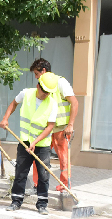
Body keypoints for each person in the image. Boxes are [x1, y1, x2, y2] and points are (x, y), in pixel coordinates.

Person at [0, 72, 60, 214]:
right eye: (44, 91)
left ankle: (42, 204)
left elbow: (50, 126)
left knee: (43, 174)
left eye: (48, 92)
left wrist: (36, 142)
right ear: (38, 86)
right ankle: (16, 201)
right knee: (21, 171)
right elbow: (14, 103)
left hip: (42, 144)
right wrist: (5, 118)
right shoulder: (26, 94)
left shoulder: (52, 103)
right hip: (24, 140)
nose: (46, 94)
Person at [28, 58, 79, 192]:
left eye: (36, 74)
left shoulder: (61, 82)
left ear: (43, 71)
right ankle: (37, 185)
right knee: (38, 157)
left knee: (63, 157)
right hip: (46, 128)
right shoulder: (41, 85)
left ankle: (65, 185)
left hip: (60, 128)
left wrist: (70, 125)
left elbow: (74, 103)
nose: (36, 77)